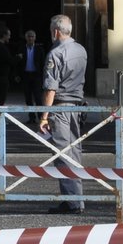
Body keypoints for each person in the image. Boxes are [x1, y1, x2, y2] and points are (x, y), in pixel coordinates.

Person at [38, 15, 88, 214]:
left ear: (55, 31)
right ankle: (78, 199)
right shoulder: (81, 50)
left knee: (62, 153)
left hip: (60, 107)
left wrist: (43, 116)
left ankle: (72, 202)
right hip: (77, 105)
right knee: (75, 152)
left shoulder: (55, 53)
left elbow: (51, 88)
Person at [17, 29, 47, 121]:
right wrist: (17, 75)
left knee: (38, 97)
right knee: (28, 97)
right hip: (26, 75)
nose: (30, 38)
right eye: (29, 36)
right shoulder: (21, 49)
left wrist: (44, 75)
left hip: (36, 76)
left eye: (32, 36)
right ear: (26, 38)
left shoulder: (39, 49)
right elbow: (18, 63)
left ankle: (41, 117)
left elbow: (43, 63)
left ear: (35, 38)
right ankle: (32, 117)